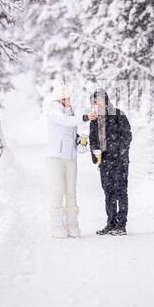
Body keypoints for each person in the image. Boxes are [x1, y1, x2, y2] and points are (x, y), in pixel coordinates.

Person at [47, 85, 97, 238]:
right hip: (56, 157)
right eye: (67, 97)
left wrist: (81, 142)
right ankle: (57, 227)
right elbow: (66, 121)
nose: (69, 100)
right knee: (58, 191)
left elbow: (73, 131)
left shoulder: (71, 112)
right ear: (60, 99)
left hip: (71, 158)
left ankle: (72, 226)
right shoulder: (53, 111)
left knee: (71, 192)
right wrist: (85, 117)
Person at [89, 89, 132, 236]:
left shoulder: (119, 115)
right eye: (94, 101)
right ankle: (111, 223)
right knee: (109, 193)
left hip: (120, 161)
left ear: (106, 100)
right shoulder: (94, 119)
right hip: (105, 161)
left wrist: (119, 152)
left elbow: (127, 137)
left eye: (99, 100)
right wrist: (95, 152)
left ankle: (121, 225)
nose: (97, 103)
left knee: (121, 191)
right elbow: (92, 139)